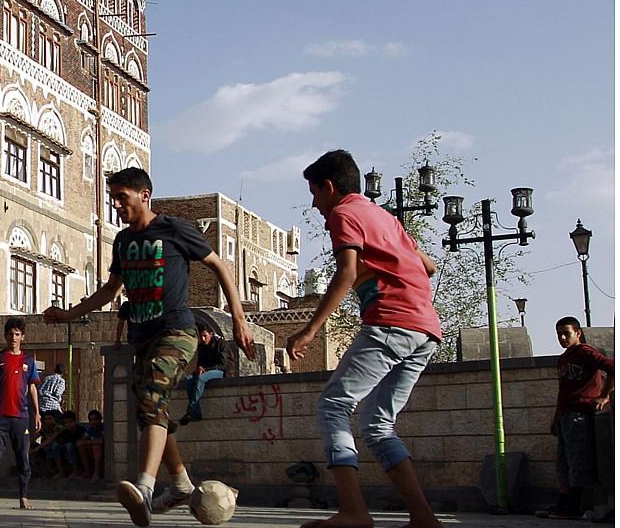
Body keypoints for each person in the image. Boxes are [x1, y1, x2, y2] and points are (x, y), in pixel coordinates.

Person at [45, 166, 256, 527]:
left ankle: (144, 487)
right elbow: (110, 291)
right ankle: (180, 484)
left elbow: (219, 265)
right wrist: (69, 314)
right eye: (113, 198)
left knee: (151, 399)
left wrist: (238, 318)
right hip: (142, 339)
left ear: (144, 195)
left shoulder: (173, 229)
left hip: (177, 331)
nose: (116, 205)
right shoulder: (124, 242)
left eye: (121, 198)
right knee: (150, 411)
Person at [286, 150, 444, 528]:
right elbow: (429, 265)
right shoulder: (385, 217)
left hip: (392, 321)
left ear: (328, 186)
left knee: (333, 406)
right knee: (377, 423)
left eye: (314, 193)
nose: (314, 204)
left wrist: (309, 330)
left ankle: (354, 511)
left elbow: (345, 273)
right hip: (426, 329)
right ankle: (423, 516)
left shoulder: (344, 213)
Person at [535, 317, 613, 519]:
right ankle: (563, 504)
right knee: (563, 462)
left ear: (577, 333)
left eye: (566, 334)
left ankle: (574, 506)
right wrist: (555, 417)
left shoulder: (585, 352)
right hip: (565, 414)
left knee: (578, 461)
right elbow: (563, 391)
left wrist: (604, 395)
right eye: (559, 334)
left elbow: (612, 366)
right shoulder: (564, 359)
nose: (562, 338)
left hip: (581, 413)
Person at [0, 317, 41, 509]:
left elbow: (32, 387)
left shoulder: (29, 360)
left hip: (21, 416)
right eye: (10, 334)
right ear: (5, 336)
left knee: (23, 457)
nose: (13, 337)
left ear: (22, 337)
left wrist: (37, 413)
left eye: (17, 334)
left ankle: (23, 497)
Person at [180, 325, 225, 425]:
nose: (203, 339)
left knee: (201, 379)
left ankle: (192, 409)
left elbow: (223, 364)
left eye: (205, 336)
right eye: (201, 337)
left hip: (219, 370)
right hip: (205, 371)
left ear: (211, 334)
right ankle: (195, 412)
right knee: (189, 380)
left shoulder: (220, 343)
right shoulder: (201, 347)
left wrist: (205, 369)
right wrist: (200, 368)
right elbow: (200, 363)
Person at [76, 409, 106, 481]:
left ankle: (96, 473)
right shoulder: (90, 429)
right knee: (81, 448)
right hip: (92, 453)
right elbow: (82, 440)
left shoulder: (103, 428)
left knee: (96, 447)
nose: (93, 422)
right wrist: (83, 442)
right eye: (91, 420)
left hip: (103, 452)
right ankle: (87, 472)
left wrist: (86, 442)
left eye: (95, 419)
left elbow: (100, 441)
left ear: (100, 419)